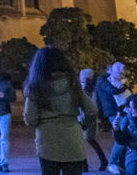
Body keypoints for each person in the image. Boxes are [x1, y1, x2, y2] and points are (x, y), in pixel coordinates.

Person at [23, 47, 97, 175]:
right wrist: (83, 125)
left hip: (47, 143)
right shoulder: (73, 84)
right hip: (73, 140)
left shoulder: (35, 86)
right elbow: (92, 109)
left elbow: (30, 118)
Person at [96, 62, 132, 174]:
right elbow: (114, 91)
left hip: (122, 110)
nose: (121, 73)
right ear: (110, 70)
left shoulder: (116, 80)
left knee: (124, 136)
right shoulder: (104, 81)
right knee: (120, 138)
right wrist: (125, 86)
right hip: (114, 111)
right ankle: (112, 163)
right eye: (118, 70)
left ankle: (120, 164)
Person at [112, 93, 137, 175]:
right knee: (135, 169)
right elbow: (122, 141)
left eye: (132, 108)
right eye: (129, 107)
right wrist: (116, 129)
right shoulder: (128, 119)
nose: (130, 110)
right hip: (134, 151)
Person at [80, 68, 108, 172]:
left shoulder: (93, 90)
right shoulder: (84, 88)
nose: (81, 78)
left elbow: (94, 105)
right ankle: (85, 164)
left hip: (89, 118)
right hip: (82, 118)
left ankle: (101, 161)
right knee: (83, 141)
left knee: (90, 140)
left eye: (83, 76)